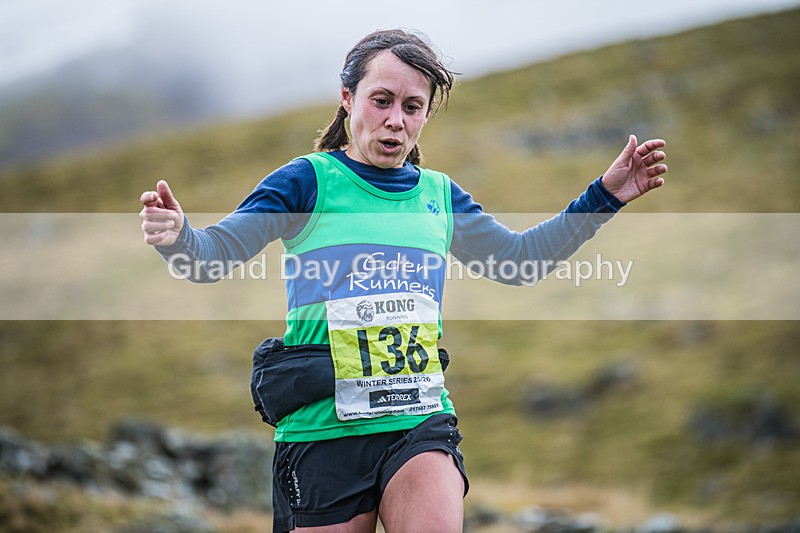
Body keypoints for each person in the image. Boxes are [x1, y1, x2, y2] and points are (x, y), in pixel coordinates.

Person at [140, 29, 667, 533]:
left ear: (424, 117)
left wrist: (603, 196)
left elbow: (519, 261)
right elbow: (209, 258)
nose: (395, 120)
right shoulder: (306, 181)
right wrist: (177, 238)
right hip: (323, 430)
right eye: (382, 100)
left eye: (412, 107)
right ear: (348, 99)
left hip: (418, 418)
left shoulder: (440, 195)